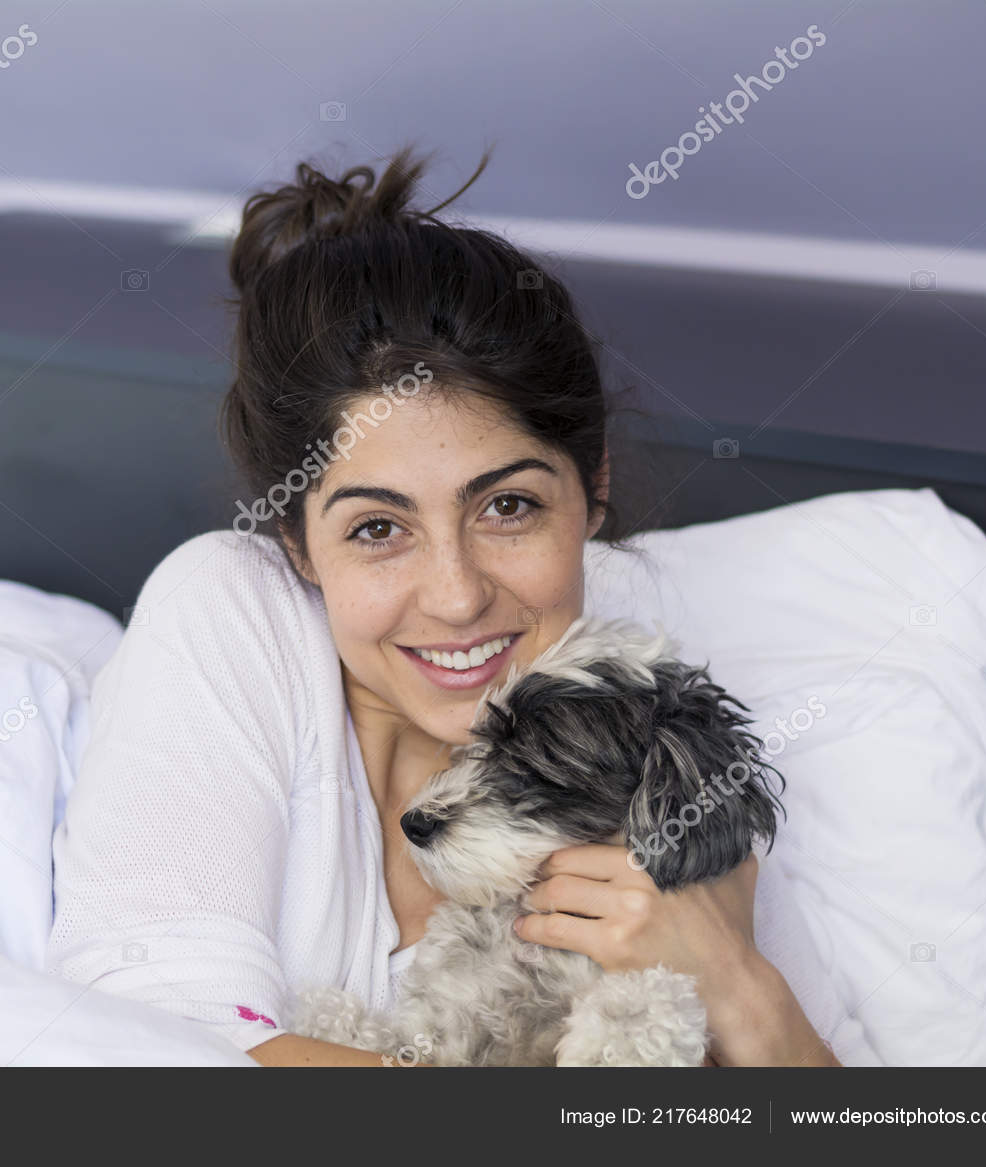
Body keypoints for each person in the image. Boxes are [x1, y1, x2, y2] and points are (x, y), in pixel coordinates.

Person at [48, 148, 856, 1066]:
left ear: (590, 492)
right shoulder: (234, 610)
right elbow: (152, 1047)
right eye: (377, 528)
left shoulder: (647, 734)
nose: (459, 594)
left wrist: (737, 982)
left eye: (508, 507)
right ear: (296, 539)